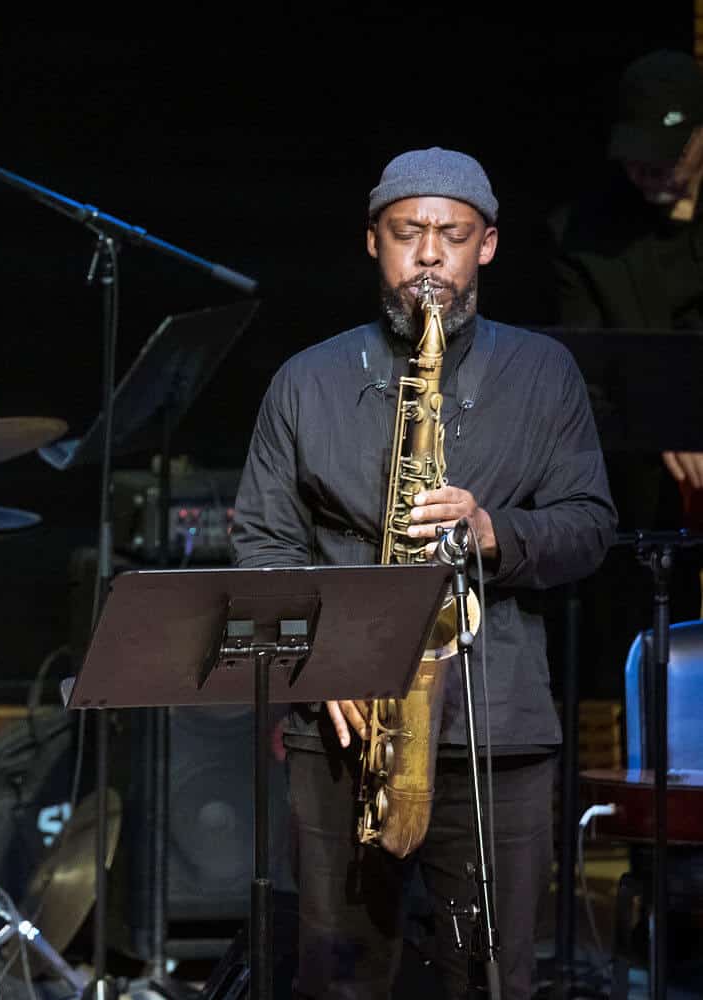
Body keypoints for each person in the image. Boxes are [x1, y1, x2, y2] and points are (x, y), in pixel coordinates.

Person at [230, 147, 616, 999]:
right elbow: (261, 545)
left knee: (492, 978)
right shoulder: (306, 380)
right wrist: (322, 660)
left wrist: (490, 529)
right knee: (339, 978)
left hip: (496, 724)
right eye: (408, 233)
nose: (430, 256)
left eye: (454, 235)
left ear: (489, 245)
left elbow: (590, 528)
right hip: (340, 728)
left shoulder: (543, 372)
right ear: (374, 241)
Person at [550, 49, 703, 613]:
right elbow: (585, 370)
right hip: (639, 490)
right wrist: (666, 421)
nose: (649, 170)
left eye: (669, 153)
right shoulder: (585, 235)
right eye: (638, 156)